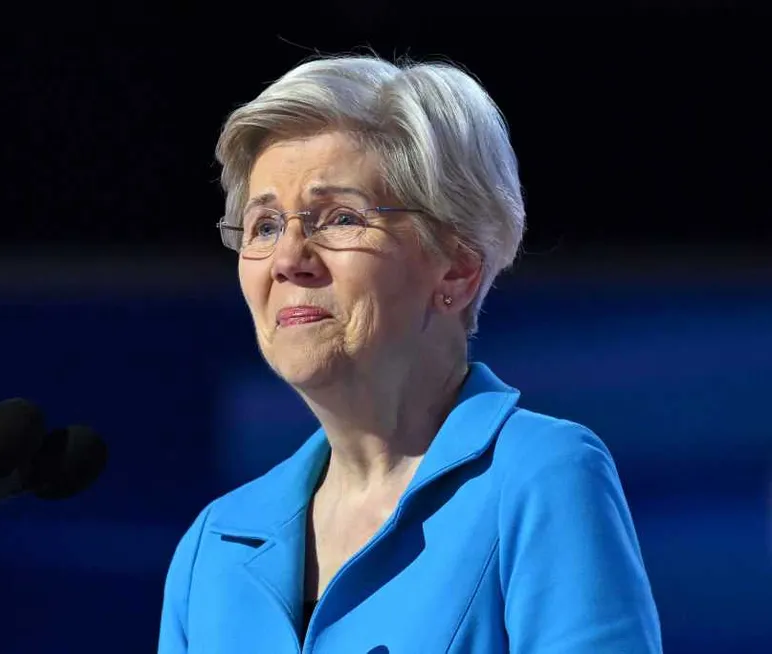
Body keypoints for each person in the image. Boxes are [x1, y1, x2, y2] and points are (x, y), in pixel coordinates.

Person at [158, 54, 662, 653]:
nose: (289, 259)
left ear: (457, 268)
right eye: (265, 226)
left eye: (340, 218)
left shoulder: (540, 477)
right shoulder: (213, 548)